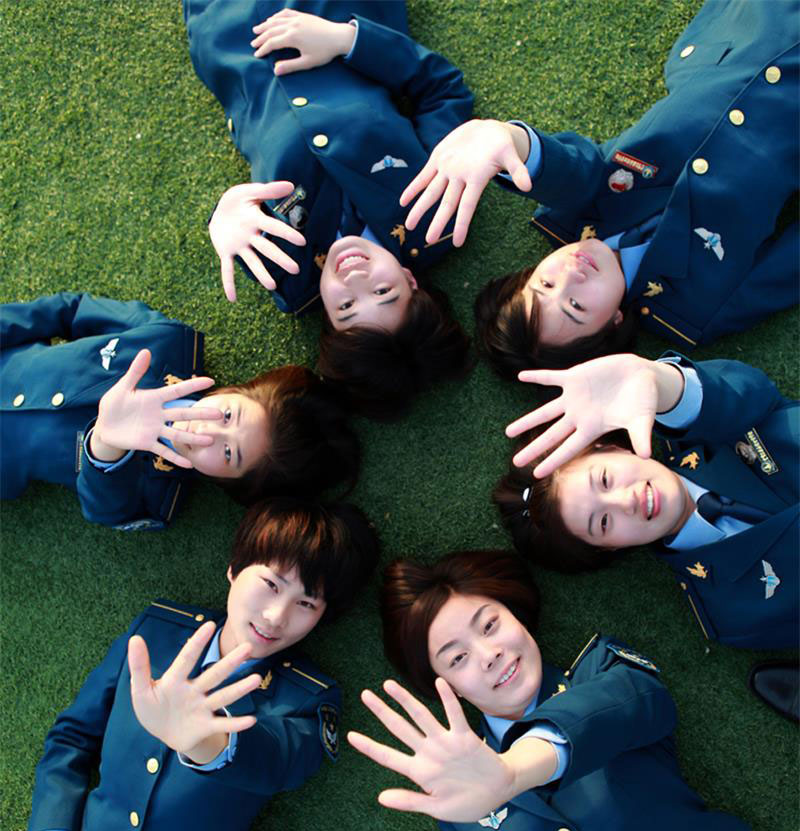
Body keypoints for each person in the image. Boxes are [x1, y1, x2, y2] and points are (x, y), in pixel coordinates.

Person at [347, 549, 800, 831]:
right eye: (457, 659)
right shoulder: (459, 803)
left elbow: (636, 703)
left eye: (489, 625)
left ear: (517, 614)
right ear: (446, 686)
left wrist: (512, 771)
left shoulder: (602, 669)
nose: (488, 655)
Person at [1, 496, 379, 831]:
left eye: (306, 602)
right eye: (270, 583)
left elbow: (279, 762)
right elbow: (71, 739)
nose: (276, 616)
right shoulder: (156, 631)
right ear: (234, 568)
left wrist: (205, 741)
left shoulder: (307, 698)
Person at [397, 0, 799, 377]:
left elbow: (564, 170)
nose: (571, 275)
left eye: (545, 284)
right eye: (575, 306)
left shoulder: (575, 212)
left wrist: (505, 139)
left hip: (751, 30)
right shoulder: (696, 308)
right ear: (613, 323)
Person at [185, 0, 474, 418]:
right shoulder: (435, 214)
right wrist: (347, 40)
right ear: (411, 281)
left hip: (229, 35)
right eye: (383, 292)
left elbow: (234, 217)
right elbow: (443, 90)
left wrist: (225, 215)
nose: (355, 280)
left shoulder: (287, 272)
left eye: (346, 308)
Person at [493, 351, 798, 718]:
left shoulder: (708, 424)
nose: (626, 501)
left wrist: (657, 380)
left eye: (605, 479)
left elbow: (741, 393)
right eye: (602, 523)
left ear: (611, 447)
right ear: (609, 548)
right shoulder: (732, 614)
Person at [1, 292, 359, 529]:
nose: (208, 432)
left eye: (229, 453)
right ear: (234, 391)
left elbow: (104, 511)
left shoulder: (160, 495)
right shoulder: (167, 341)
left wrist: (105, 445)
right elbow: (71, 310)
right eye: (229, 415)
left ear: (230, 482)